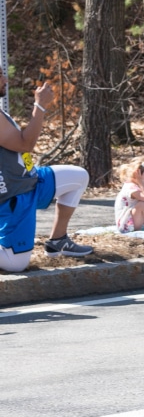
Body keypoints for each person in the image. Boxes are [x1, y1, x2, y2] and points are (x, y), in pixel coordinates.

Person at [0, 78, 91, 272]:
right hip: (15, 196)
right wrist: (40, 106)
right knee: (16, 264)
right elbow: (25, 144)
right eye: (0, 74)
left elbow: (20, 150)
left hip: (31, 181)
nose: (5, 79)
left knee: (79, 177)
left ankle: (57, 240)